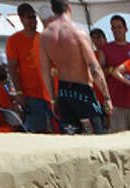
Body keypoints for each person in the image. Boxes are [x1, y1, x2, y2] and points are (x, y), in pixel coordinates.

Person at [38, 0, 112, 134]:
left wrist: (53, 99)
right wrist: (106, 97)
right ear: (70, 8)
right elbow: (94, 67)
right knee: (94, 135)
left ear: (53, 10)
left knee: (72, 137)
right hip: (82, 93)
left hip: (63, 93)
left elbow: (45, 70)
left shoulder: (45, 36)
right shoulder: (78, 32)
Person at [5, 3, 51, 132]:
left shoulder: (42, 38)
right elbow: (12, 68)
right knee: (37, 131)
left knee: (56, 130)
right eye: (29, 17)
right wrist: (19, 93)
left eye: (34, 17)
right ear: (21, 19)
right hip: (31, 95)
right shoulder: (14, 41)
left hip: (48, 93)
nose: (33, 20)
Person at [98, 15, 130, 132]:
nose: (116, 30)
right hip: (115, 103)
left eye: (119, 27)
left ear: (126, 29)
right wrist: (112, 70)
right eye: (113, 28)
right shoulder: (105, 49)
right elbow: (99, 72)